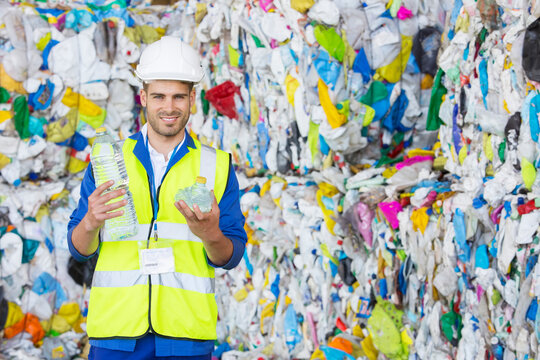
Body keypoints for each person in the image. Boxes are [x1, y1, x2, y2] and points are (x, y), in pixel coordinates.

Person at [67, 36, 247, 360]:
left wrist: (210, 235)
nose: (169, 107)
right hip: (116, 336)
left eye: (179, 97)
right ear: (143, 97)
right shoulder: (108, 159)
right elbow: (79, 250)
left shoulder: (217, 165)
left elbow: (229, 257)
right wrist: (91, 221)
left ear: (192, 98)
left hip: (185, 336)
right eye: (159, 96)